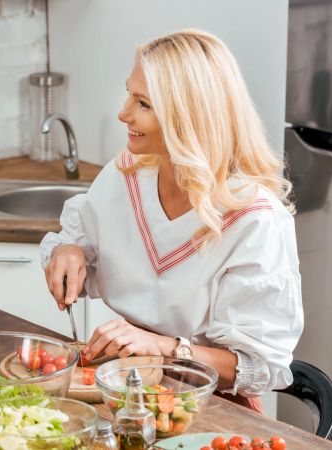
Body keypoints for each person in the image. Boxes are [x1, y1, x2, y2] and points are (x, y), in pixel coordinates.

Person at [41, 30, 304, 412]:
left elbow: (259, 367)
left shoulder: (255, 219)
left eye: (143, 103)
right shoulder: (127, 174)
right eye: (129, 94)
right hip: (127, 392)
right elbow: (81, 241)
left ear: (189, 117)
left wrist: (165, 348)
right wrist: (69, 249)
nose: (123, 113)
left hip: (209, 410)